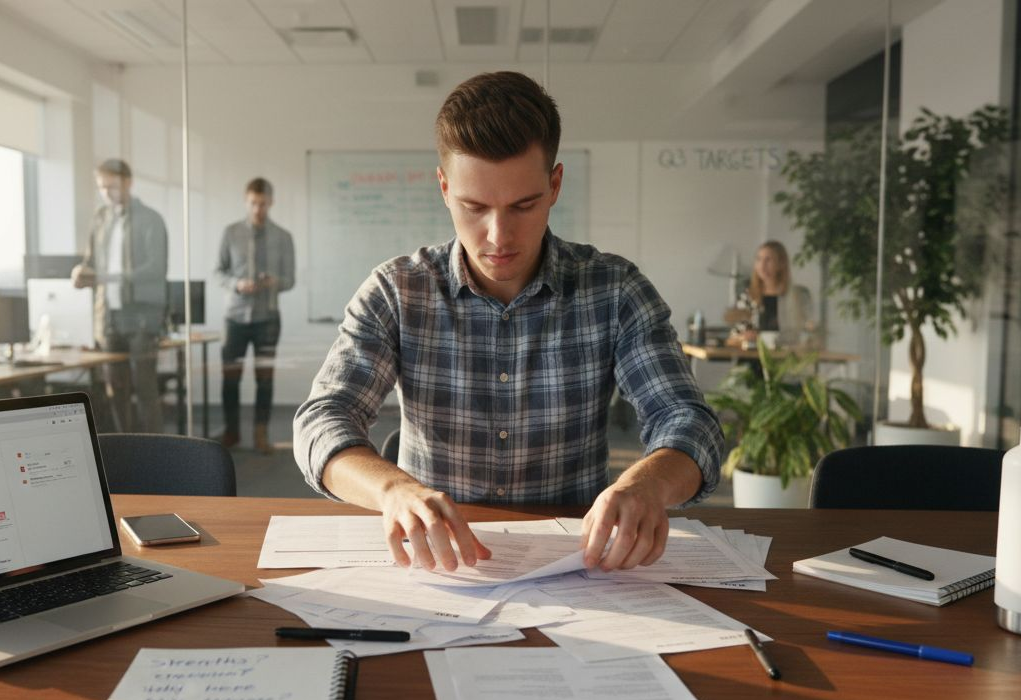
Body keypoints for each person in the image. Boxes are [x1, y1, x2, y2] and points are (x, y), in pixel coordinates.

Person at [293, 71, 722, 574]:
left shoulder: (614, 290)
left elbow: (690, 421)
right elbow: (321, 420)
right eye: (474, 207)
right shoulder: (398, 290)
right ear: (444, 188)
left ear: (555, 184)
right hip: (438, 567)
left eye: (524, 205)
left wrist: (644, 484)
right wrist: (393, 490)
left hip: (576, 567)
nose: (499, 236)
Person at [72, 159, 168, 433]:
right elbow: (92, 261)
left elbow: (156, 268)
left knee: (145, 388)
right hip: (109, 315)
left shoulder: (149, 219)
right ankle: (124, 452)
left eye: (112, 186)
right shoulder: (101, 219)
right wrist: (82, 272)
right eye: (102, 187)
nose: (107, 192)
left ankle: (156, 456)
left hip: (140, 316)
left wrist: (113, 277)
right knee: (116, 388)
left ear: (128, 183)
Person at [215, 178, 295, 453]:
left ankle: (261, 435)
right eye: (253, 203)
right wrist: (237, 284)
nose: (258, 208)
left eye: (262, 203)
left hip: (267, 317)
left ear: (271, 202)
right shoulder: (230, 232)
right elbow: (218, 272)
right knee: (230, 379)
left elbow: (290, 279)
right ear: (246, 201)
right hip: (234, 317)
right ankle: (232, 432)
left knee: (265, 380)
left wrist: (275, 281)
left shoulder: (283, 237)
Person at [745, 240, 815, 347]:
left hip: (788, 354)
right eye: (759, 259)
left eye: (768, 260)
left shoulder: (800, 295)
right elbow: (738, 332)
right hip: (755, 354)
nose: (762, 265)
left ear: (781, 263)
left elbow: (808, 328)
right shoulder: (748, 296)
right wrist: (747, 335)